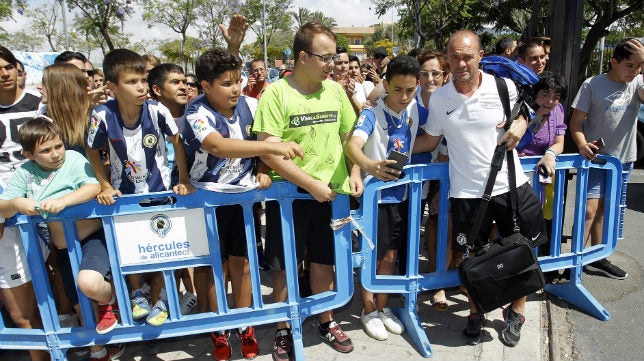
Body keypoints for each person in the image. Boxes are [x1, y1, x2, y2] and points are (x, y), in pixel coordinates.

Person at [414, 30, 547, 348]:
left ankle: (516, 313)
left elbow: (529, 110)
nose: (460, 62)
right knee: (470, 258)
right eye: (454, 56)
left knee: (520, 255)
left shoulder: (504, 86)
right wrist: (382, 149)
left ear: (481, 56)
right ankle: (476, 312)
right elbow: (430, 140)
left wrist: (523, 122)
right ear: (447, 57)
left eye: (467, 56)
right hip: (467, 194)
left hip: (512, 187)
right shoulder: (441, 98)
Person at [182, 45, 303, 361]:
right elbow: (219, 146)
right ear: (205, 86)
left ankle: (244, 325)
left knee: (245, 265)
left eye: (238, 80)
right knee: (216, 268)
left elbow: (265, 141)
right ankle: (220, 329)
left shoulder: (252, 104)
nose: (235, 88)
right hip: (209, 200)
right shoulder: (195, 113)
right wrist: (273, 150)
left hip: (245, 201)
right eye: (225, 83)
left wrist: (264, 167)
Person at [253, 20, 362, 360]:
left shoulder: (334, 91)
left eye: (334, 57)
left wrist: (356, 169)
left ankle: (326, 319)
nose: (333, 65)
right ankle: (284, 327)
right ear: (303, 57)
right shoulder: (275, 94)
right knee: (284, 265)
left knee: (323, 263)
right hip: (290, 198)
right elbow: (268, 149)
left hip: (331, 197)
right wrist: (309, 184)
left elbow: (350, 137)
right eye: (325, 57)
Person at [86, 48, 195, 328]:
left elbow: (177, 142)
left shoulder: (157, 110)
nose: (141, 87)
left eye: (143, 80)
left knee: (163, 248)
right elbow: (90, 148)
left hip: (159, 194)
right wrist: (104, 184)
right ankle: (137, 294)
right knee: (132, 250)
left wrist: (182, 179)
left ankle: (163, 300)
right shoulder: (101, 115)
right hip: (125, 199)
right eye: (132, 82)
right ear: (112, 87)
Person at [0, 118, 119, 361]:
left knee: (89, 284)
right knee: (81, 306)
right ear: (28, 154)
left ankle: (113, 299)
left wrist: (63, 202)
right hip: (63, 250)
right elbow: (3, 207)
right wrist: (16, 203)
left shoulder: (74, 159)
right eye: (45, 150)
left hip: (91, 240)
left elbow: (92, 186)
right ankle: (100, 353)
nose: (55, 154)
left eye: (58, 146)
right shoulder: (24, 172)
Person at [345, 55, 426, 341]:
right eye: (397, 89)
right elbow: (353, 145)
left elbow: (436, 130)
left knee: (391, 255)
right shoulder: (371, 114)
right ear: (386, 85)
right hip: (374, 199)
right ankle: (368, 309)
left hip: (401, 196)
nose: (404, 96)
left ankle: (383, 307)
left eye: (410, 89)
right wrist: (368, 166)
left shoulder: (415, 110)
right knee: (371, 256)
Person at [570, 37, 644, 280]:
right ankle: (574, 260)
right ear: (614, 62)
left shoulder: (637, 85)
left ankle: (598, 255)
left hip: (623, 162)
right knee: (589, 211)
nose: (635, 71)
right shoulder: (592, 85)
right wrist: (582, 145)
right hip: (597, 161)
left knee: (605, 211)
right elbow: (576, 122)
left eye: (640, 66)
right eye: (630, 65)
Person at [0, 45, 48, 361]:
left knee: (44, 307)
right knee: (21, 314)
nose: (2, 74)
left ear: (18, 68)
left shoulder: (40, 107)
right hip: (5, 222)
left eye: (6, 67)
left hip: (42, 216)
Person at [413, 50, 453, 311]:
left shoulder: (451, 100)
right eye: (424, 73)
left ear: (444, 75)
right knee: (410, 227)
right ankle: (410, 280)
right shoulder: (406, 101)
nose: (430, 78)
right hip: (412, 175)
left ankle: (438, 281)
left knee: (442, 225)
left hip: (444, 173)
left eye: (435, 73)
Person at [333, 46, 364, 115]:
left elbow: (362, 113)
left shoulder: (357, 87)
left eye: (346, 62)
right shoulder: (325, 85)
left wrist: (351, 97)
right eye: (339, 63)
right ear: (332, 64)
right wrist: (336, 90)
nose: (344, 66)